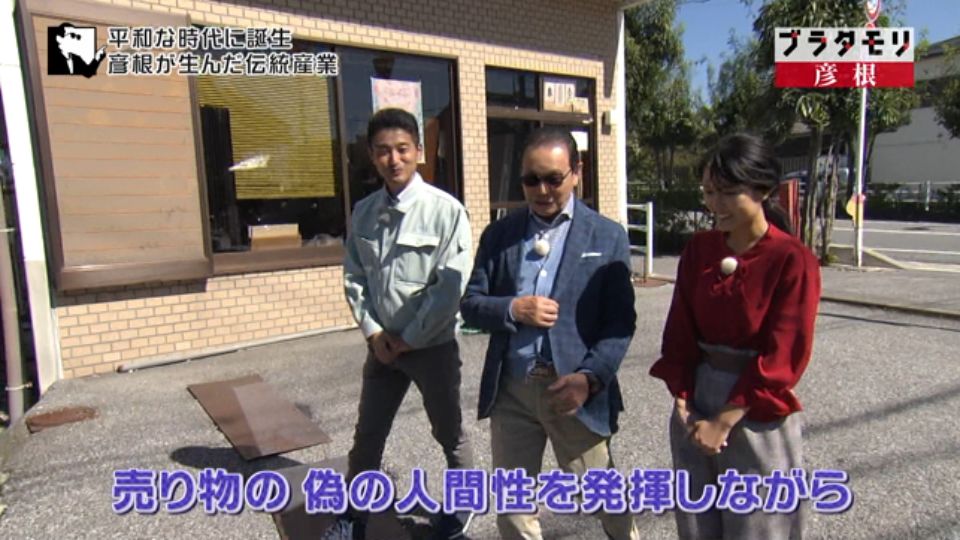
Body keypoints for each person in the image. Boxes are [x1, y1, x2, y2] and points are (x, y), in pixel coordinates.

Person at [461, 127, 639, 540]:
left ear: (577, 173)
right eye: (531, 179)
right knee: (513, 508)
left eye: (553, 179)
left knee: (605, 498)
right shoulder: (499, 235)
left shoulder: (606, 236)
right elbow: (471, 303)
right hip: (512, 390)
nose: (542, 190)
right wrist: (512, 308)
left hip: (572, 391)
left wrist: (589, 378)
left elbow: (619, 322)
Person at [649, 133, 821, 540]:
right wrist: (682, 396)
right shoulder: (699, 250)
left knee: (760, 522)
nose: (715, 204)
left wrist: (724, 421)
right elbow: (680, 330)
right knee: (697, 521)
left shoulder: (791, 258)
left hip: (756, 406)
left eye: (728, 193)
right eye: (709, 192)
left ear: (763, 190)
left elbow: (784, 355)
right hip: (698, 399)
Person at [332, 108, 474, 540]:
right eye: (382, 151)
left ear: (419, 151)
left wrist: (409, 338)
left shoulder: (446, 211)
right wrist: (373, 332)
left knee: (449, 431)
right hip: (382, 348)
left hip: (431, 347)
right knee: (368, 435)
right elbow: (355, 277)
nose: (393, 159)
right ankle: (353, 517)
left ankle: (462, 506)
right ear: (371, 156)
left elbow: (449, 288)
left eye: (402, 149)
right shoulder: (364, 212)